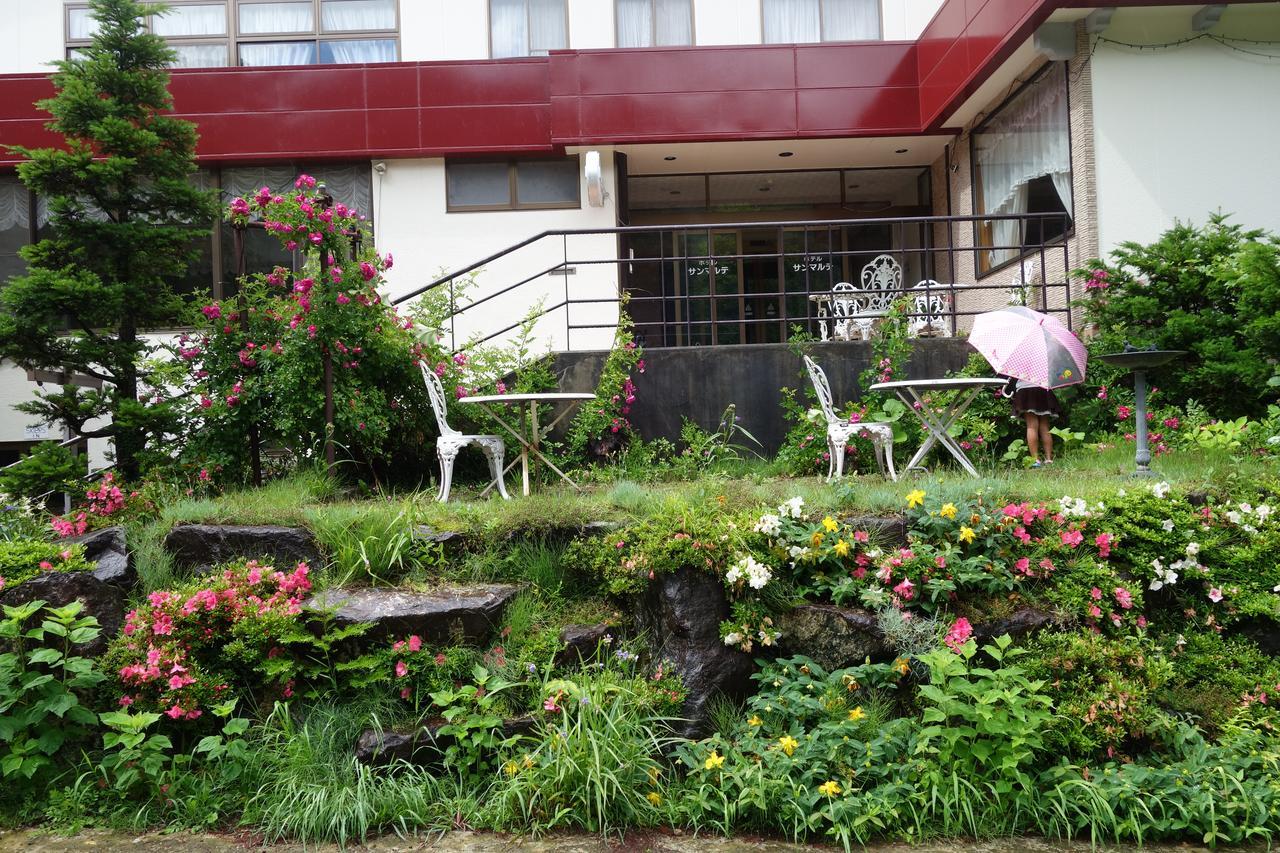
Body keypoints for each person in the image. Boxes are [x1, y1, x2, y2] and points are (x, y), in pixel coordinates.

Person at [1002, 377, 1061, 467]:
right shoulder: (1044, 362)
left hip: (1025, 389)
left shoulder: (1018, 362)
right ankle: (1049, 459)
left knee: (1032, 426)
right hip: (1043, 387)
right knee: (1044, 426)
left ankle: (1035, 459)